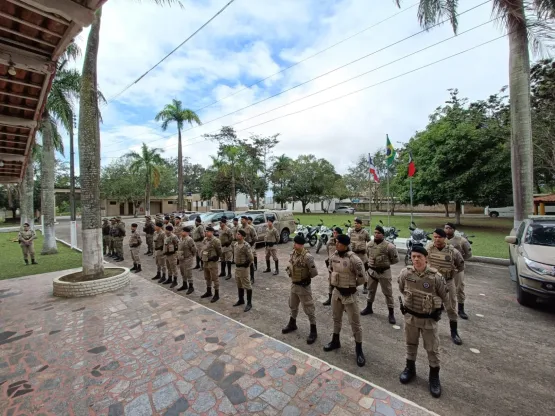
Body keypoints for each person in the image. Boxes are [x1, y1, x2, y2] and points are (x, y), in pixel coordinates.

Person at [398, 246, 449, 398]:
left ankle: (434, 377)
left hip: (428, 320)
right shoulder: (405, 273)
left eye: (419, 256)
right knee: (410, 344)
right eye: (413, 256)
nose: (416, 259)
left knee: (432, 349)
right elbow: (402, 289)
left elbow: (445, 297)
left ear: (426, 258)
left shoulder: (436, 277)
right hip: (411, 318)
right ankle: (410, 369)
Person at [324, 234, 366, 366]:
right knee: (336, 319)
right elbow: (331, 270)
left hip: (349, 295)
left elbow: (362, 278)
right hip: (337, 293)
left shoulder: (354, 259)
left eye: (339, 243)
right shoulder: (334, 256)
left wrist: (350, 286)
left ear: (345, 245)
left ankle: (359, 350)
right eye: (336, 242)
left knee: (355, 323)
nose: (336, 244)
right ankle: (335, 341)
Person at [426, 228, 465, 345]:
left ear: (444, 238)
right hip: (432, 281)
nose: (437, 239)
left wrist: (450, 274)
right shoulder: (428, 248)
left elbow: (461, 266)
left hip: (447, 282)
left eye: (439, 237)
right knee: (429, 305)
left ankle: (454, 332)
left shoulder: (453, 251)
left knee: (451, 307)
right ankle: (429, 329)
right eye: (435, 237)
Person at [282, 235, 319, 344]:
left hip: (303, 287)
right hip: (294, 285)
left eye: (296, 243)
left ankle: (313, 331)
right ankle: (292, 324)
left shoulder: (307, 257)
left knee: (309, 308)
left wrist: (305, 279)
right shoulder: (293, 253)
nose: (294, 245)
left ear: (301, 245)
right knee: (292, 305)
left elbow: (314, 272)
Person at [361, 225, 400, 324]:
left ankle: (391, 313)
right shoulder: (369, 244)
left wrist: (384, 264)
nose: (376, 235)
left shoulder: (389, 246)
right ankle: (369, 307)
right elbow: (368, 255)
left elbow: (395, 260)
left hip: (384, 272)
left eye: (379, 233)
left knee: (388, 293)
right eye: (375, 233)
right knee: (371, 290)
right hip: (372, 272)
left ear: (383, 234)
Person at [444, 222, 472, 320]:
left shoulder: (461, 241)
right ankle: (442, 306)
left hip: (457, 269)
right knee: (442, 287)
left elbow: (468, 254)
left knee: (459, 288)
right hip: (444, 268)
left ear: (453, 229)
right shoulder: (441, 239)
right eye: (445, 228)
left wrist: (459, 261)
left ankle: (460, 309)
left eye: (449, 228)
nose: (447, 230)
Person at [200, 225, 223, 303]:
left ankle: (216, 294)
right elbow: (202, 249)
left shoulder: (216, 241)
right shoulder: (205, 239)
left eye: (208, 231)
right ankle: (208, 291)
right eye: (206, 231)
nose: (206, 233)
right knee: (207, 277)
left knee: (214, 278)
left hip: (212, 262)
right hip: (205, 261)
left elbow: (219, 251)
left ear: (212, 232)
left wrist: (216, 258)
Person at [233, 229, 254, 312]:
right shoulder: (235, 244)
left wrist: (246, 264)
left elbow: (251, 258)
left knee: (247, 285)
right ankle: (241, 300)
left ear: (242, 236)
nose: (236, 235)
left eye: (238, 234)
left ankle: (249, 303)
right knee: (239, 284)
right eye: (237, 234)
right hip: (237, 267)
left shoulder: (246, 245)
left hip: (244, 268)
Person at [349, 218, 371, 293]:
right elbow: (348, 242)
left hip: (362, 255)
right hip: (354, 254)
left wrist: (367, 250)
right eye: (355, 223)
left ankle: (365, 287)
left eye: (357, 223)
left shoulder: (365, 232)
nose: (356, 225)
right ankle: (353, 286)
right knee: (353, 271)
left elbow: (369, 242)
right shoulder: (351, 232)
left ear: (361, 224)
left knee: (364, 271)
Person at [323, 227, 342, 306]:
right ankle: (330, 299)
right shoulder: (329, 242)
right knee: (331, 282)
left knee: (341, 283)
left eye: (337, 233)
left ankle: (341, 301)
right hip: (332, 266)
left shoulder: (343, 242)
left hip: (341, 266)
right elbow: (328, 252)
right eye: (334, 232)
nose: (335, 234)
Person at [177, 226, 197, 294]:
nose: (181, 232)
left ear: (186, 232)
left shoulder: (189, 239)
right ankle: (184, 284)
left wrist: (191, 256)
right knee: (183, 272)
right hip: (181, 258)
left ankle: (191, 287)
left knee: (188, 272)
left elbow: (194, 249)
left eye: (182, 231)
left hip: (188, 258)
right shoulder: (181, 238)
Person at [241, 216, 257, 283]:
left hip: (250, 247)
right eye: (241, 219)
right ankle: (244, 277)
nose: (241, 220)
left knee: (250, 262)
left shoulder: (251, 228)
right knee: (243, 261)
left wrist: (251, 244)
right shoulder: (240, 228)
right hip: (243, 247)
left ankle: (252, 278)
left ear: (247, 220)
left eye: (243, 219)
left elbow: (255, 238)